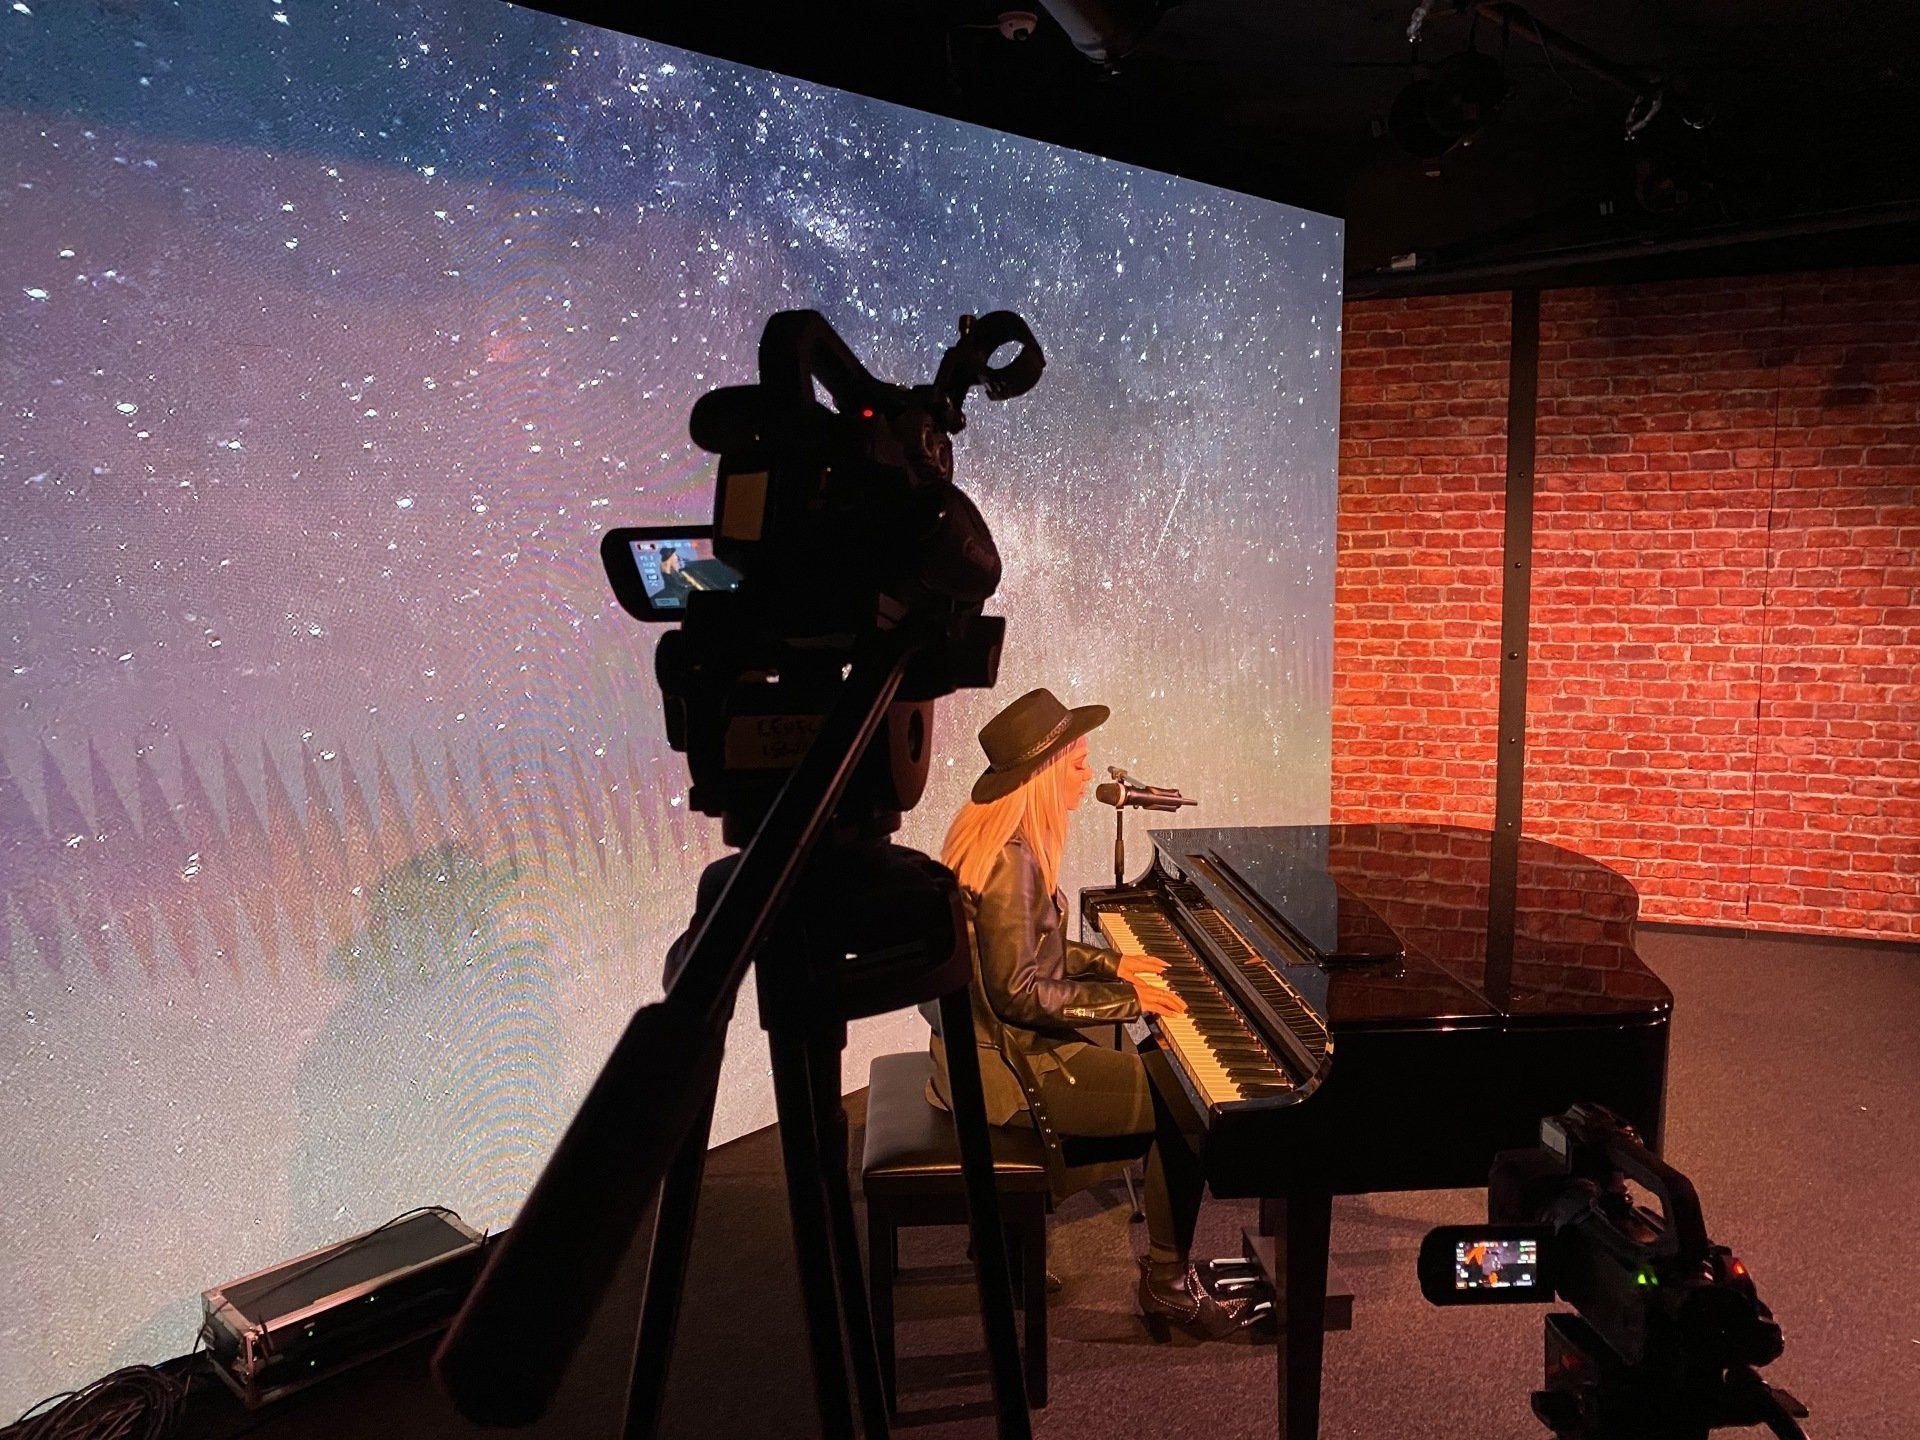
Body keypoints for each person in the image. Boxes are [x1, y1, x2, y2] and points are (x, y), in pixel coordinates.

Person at [925, 687, 1258, 1341]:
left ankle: (1005, 1246)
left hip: (976, 1058)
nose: (1087, 775)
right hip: (1012, 1076)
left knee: (1160, 1070)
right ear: (1042, 774)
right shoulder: (1013, 862)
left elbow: (1028, 946)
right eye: (1077, 763)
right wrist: (1128, 1000)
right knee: (1185, 1103)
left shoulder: (992, 842)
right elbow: (1020, 990)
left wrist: (1113, 964)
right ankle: (1168, 1284)